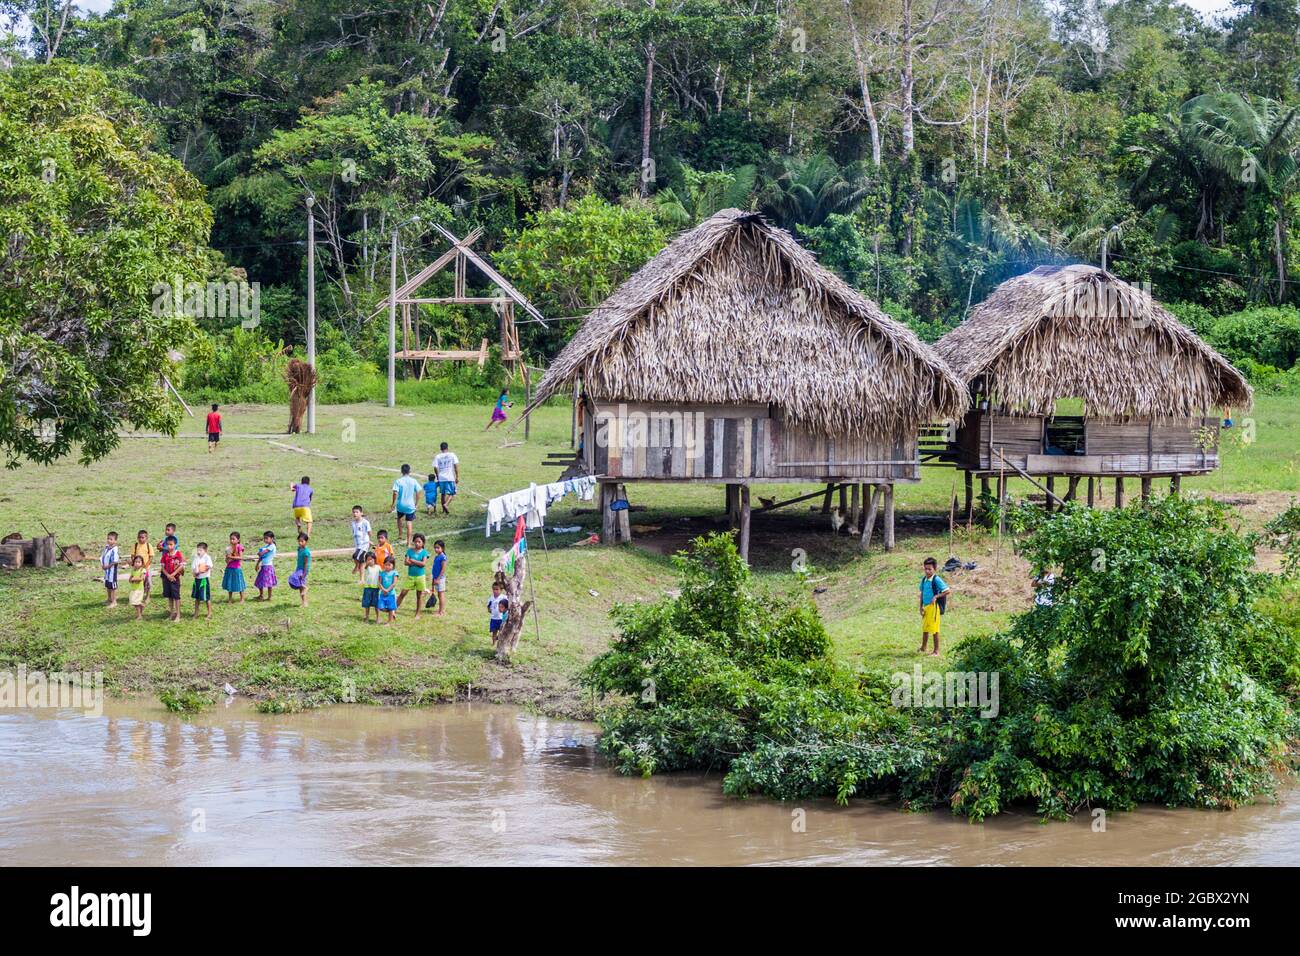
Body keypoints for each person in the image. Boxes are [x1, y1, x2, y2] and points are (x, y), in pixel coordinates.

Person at [918, 557, 951, 656]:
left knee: (934, 629)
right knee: (925, 628)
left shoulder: (936, 579)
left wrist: (936, 596)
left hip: (934, 607)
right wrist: (920, 607)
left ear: (934, 569)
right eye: (926, 569)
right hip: (926, 607)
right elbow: (922, 593)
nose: (927, 571)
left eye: (929, 569)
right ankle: (923, 647)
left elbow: (947, 591)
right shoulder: (924, 579)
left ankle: (936, 651)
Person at [397, 533, 429, 618]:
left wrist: (412, 561)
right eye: (415, 542)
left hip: (420, 577)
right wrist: (416, 562)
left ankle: (417, 613)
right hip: (410, 576)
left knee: (419, 596)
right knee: (403, 593)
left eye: (419, 542)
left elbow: (423, 564)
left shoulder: (424, 552)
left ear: (423, 543)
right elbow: (405, 562)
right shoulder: (410, 551)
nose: (417, 543)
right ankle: (393, 608)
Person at [390, 464, 421, 547]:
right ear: (409, 471)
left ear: (401, 471)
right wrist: (416, 503)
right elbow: (418, 492)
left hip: (400, 504)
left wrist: (393, 504)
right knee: (409, 522)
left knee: (399, 518)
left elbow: (395, 493)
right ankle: (408, 542)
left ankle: (400, 534)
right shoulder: (413, 481)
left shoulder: (398, 481)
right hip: (410, 505)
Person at [159, 538, 185, 623]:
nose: (169, 546)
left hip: (175, 579)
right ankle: (171, 613)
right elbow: (162, 567)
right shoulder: (165, 555)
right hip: (167, 578)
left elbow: (181, 566)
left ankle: (178, 615)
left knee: (176, 597)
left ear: (175, 544)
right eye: (168, 545)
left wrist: (173, 574)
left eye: (171, 544)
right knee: (170, 596)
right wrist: (168, 575)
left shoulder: (178, 554)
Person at [432, 442, 460, 515]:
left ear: (440, 449)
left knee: (443, 494)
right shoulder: (452, 455)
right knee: (453, 493)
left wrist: (437, 475)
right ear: (447, 448)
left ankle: (443, 510)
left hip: (441, 477)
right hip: (450, 477)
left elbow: (435, 467)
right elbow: (456, 466)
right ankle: (446, 504)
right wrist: (457, 476)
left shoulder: (438, 456)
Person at [191, 542, 214, 619]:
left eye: (200, 550)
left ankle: (209, 613)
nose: (198, 552)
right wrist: (195, 573)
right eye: (198, 550)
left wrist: (200, 572)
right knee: (197, 597)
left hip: (204, 580)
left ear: (205, 550)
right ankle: (196, 613)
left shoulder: (207, 557)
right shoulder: (196, 558)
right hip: (197, 580)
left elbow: (208, 567)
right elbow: (193, 568)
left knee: (206, 597)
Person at [350, 506, 373, 581]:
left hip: (364, 544)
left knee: (356, 556)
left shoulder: (365, 522)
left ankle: (358, 568)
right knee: (360, 561)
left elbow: (370, 533)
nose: (355, 514)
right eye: (353, 512)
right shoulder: (353, 523)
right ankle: (362, 577)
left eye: (357, 512)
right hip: (358, 545)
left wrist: (369, 541)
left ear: (361, 513)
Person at [223, 532, 247, 602]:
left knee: (239, 583)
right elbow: (226, 560)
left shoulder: (239, 547)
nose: (231, 540)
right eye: (230, 539)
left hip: (237, 568)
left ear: (238, 540)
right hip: (229, 568)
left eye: (233, 539)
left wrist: (231, 557)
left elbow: (241, 557)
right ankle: (230, 599)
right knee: (230, 583)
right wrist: (228, 559)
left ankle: (242, 598)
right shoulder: (229, 548)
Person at [254, 531, 277, 601]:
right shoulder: (266, 546)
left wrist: (260, 552)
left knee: (269, 583)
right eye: (264, 538)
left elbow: (263, 553)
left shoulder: (272, 546)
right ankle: (261, 595)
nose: (265, 540)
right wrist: (257, 564)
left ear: (272, 538)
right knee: (260, 581)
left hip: (268, 567)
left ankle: (269, 597)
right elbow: (261, 556)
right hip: (264, 566)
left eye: (267, 538)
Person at [289, 533, 311, 606]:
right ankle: (304, 602)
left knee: (297, 581)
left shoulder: (306, 552)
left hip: (304, 569)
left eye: (302, 541)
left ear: (306, 541)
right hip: (299, 568)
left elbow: (306, 564)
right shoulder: (299, 549)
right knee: (299, 586)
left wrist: (304, 573)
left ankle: (305, 588)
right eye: (299, 541)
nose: (300, 543)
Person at [132, 530, 153, 604]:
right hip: (138, 568)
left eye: (143, 537)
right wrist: (134, 565)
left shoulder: (148, 545)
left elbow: (151, 556)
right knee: (139, 582)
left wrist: (146, 566)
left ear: (146, 538)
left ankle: (148, 596)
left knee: (148, 582)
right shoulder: (135, 545)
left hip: (146, 567)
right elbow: (133, 555)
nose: (141, 539)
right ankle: (139, 596)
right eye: (139, 537)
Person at [428, 539, 448, 616]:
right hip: (436, 578)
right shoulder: (437, 557)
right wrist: (434, 578)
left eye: (438, 548)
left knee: (441, 594)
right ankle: (439, 610)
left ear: (442, 548)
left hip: (440, 579)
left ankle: (441, 612)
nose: (436, 549)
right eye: (435, 548)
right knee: (439, 595)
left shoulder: (443, 557)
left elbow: (443, 569)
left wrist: (438, 578)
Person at [360, 551, 381, 623]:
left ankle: (378, 618)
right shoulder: (367, 567)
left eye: (372, 559)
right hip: (367, 588)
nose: (370, 561)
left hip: (376, 588)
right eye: (368, 559)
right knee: (367, 603)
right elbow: (363, 567)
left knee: (376, 604)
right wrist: (366, 563)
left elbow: (382, 575)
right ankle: (367, 617)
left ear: (375, 559)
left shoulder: (378, 567)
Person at [101, 531, 120, 608]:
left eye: (111, 539)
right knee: (108, 585)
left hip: (112, 571)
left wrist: (108, 566)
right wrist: (103, 565)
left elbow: (115, 561)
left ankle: (114, 601)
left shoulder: (115, 549)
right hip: (107, 571)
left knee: (112, 587)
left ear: (115, 541)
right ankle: (109, 599)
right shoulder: (107, 548)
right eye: (108, 538)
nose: (109, 540)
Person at [378, 556, 398, 625]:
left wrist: (387, 590)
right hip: (382, 593)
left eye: (389, 565)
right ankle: (392, 612)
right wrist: (383, 590)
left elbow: (394, 583)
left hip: (391, 594)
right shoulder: (382, 573)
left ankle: (389, 621)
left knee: (390, 607)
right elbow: (379, 583)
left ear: (393, 565)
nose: (387, 566)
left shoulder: (394, 573)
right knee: (381, 607)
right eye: (386, 564)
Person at [127, 555, 146, 620]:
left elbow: (141, 578)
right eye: (136, 562)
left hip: (139, 589)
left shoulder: (142, 570)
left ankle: (139, 615)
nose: (137, 563)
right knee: (133, 601)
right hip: (133, 589)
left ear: (142, 563)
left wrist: (133, 579)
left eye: (139, 562)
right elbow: (130, 579)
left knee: (136, 602)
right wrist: (131, 580)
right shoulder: (133, 570)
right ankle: (142, 605)